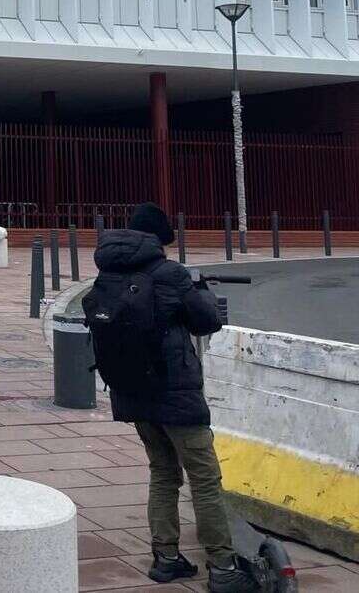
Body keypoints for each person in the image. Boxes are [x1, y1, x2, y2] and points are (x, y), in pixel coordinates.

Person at [87, 202, 256, 593]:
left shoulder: (108, 273)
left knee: (163, 473)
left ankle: (166, 559)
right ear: (159, 239)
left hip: (132, 392)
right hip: (176, 393)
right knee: (205, 478)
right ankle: (223, 567)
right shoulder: (170, 273)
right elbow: (207, 320)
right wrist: (195, 287)